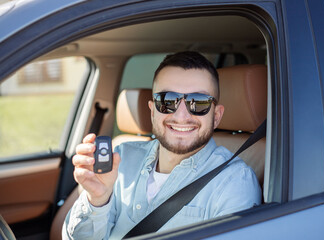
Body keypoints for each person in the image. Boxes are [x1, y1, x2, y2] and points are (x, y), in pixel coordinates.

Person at [63, 51, 261, 239]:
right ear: (152, 111)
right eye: (168, 101)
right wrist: (97, 201)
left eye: (198, 102)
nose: (181, 116)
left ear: (216, 116)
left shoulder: (233, 183)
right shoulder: (120, 159)